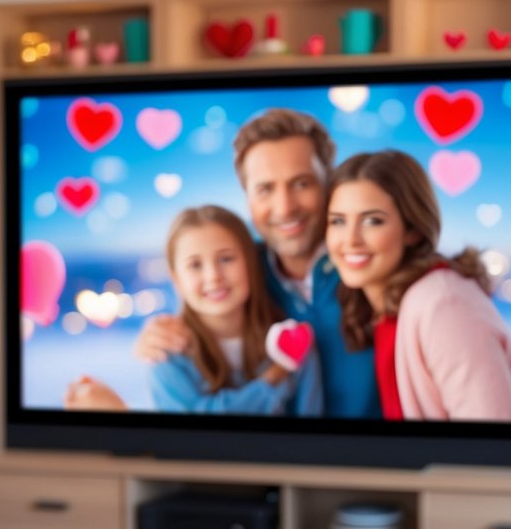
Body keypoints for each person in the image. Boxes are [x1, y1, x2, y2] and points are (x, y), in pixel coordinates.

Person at [135, 109, 380, 419]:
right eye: (265, 189)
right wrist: (156, 332)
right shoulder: (243, 271)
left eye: (302, 184)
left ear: (329, 185)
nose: (285, 207)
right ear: (247, 198)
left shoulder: (370, 265)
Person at [325, 149, 511, 422]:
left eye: (372, 221)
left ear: (412, 229)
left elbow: (494, 449)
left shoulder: (444, 305)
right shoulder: (384, 311)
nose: (350, 240)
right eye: (338, 221)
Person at [147, 205, 322, 415]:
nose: (213, 276)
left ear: (249, 264)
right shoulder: (166, 356)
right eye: (195, 265)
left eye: (226, 259)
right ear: (176, 279)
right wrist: (274, 377)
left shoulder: (294, 342)